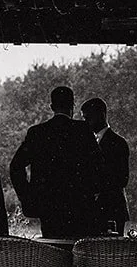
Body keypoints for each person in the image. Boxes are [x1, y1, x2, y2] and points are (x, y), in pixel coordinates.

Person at [9, 85, 101, 238]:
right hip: (80, 206)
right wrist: (91, 191)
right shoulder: (83, 130)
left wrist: (28, 196)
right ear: (73, 105)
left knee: (52, 251)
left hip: (48, 207)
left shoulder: (37, 133)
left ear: (51, 106)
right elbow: (98, 166)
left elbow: (15, 166)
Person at [81, 97, 130, 235]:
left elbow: (122, 179)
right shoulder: (87, 142)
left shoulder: (119, 143)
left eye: (88, 118)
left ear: (101, 115)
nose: (85, 123)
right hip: (94, 211)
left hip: (112, 209)